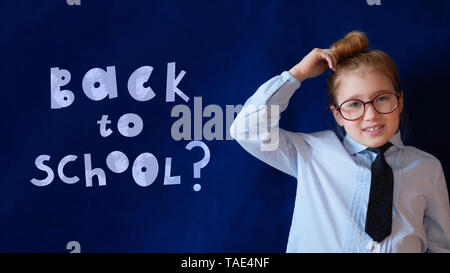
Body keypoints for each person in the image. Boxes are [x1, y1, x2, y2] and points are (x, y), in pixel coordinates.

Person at [229, 30, 450, 253]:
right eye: (354, 104)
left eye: (382, 98)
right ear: (337, 114)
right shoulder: (312, 155)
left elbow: (440, 246)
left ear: (399, 101)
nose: (371, 115)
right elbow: (247, 130)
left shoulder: (427, 168)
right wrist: (297, 74)